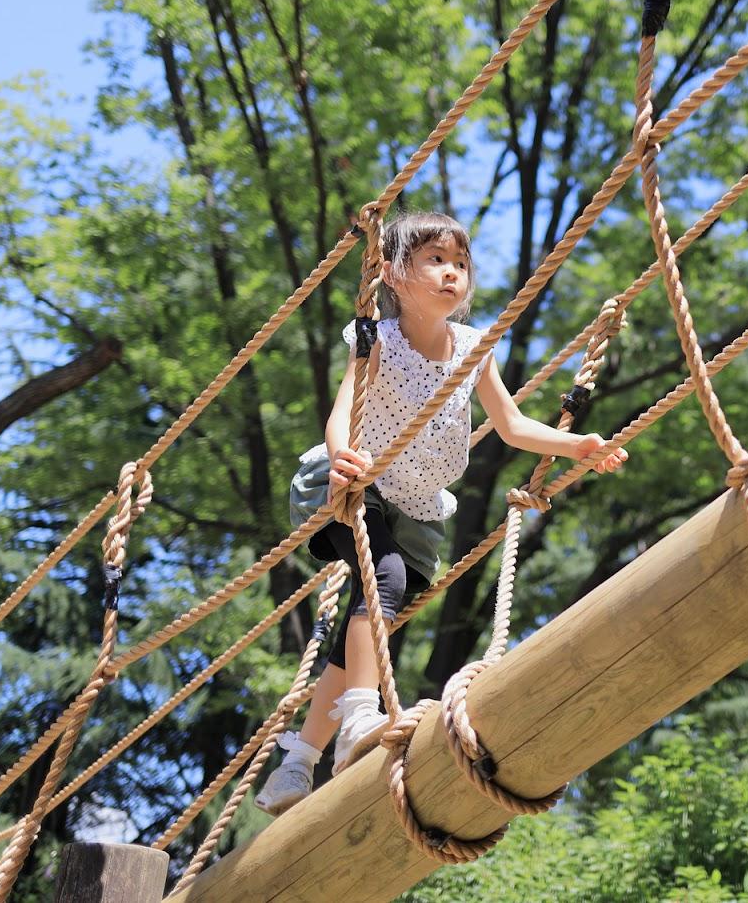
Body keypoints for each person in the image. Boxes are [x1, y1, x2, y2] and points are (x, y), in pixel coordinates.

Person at [256, 211, 627, 815]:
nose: (452, 273)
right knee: (385, 584)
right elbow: (342, 406)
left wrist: (576, 446)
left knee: (366, 629)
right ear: (396, 275)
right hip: (361, 481)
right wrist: (344, 455)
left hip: (416, 502)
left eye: (461, 263)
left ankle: (298, 760)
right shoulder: (377, 334)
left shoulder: (475, 348)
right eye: (435, 260)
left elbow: (509, 425)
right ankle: (357, 718)